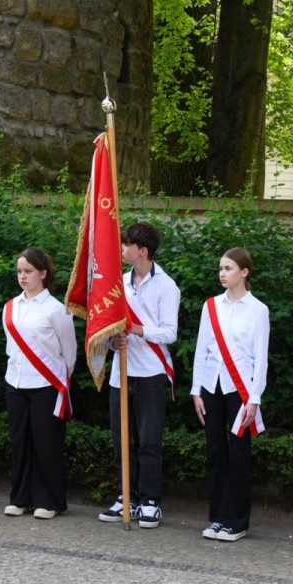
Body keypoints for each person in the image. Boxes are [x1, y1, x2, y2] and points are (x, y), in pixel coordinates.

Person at [98, 222, 180, 529]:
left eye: (126, 245)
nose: (121, 250)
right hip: (121, 372)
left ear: (142, 251)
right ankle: (125, 497)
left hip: (151, 373)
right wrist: (112, 340)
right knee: (122, 441)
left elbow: (170, 333)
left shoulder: (166, 286)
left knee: (148, 441)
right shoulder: (118, 283)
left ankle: (150, 501)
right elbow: (107, 325)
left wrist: (137, 330)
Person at [190, 247, 270, 542]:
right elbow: (201, 349)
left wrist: (254, 398)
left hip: (241, 389)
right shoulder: (211, 306)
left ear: (244, 272)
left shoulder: (258, 310)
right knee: (215, 451)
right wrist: (196, 390)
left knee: (238, 454)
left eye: (228, 268)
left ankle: (237, 521)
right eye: (221, 268)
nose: (222, 274)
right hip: (211, 385)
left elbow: (261, 358)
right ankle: (218, 517)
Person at [2, 247, 77, 519]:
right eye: (20, 271)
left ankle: (49, 500)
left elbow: (69, 352)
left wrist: (58, 379)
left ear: (43, 274)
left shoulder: (57, 310)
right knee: (20, 442)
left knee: (47, 444)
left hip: (47, 386)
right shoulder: (10, 307)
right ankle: (20, 498)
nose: (23, 276)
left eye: (29, 271)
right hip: (16, 383)